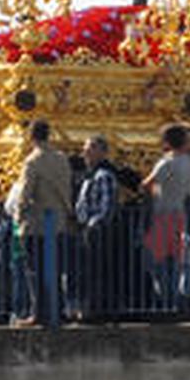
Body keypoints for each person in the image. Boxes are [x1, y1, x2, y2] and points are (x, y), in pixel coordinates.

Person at [12, 119, 72, 325]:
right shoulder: (61, 158)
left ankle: (38, 312)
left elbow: (25, 194)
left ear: (31, 136)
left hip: (38, 223)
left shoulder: (33, 161)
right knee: (55, 270)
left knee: (35, 271)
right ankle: (59, 309)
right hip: (59, 221)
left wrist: (18, 219)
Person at [141, 124, 190, 313]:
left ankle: (168, 301)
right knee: (175, 262)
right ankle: (175, 299)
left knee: (154, 261)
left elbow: (147, 184)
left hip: (163, 216)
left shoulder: (166, 162)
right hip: (181, 215)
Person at [74, 135, 122, 323]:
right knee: (87, 272)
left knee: (99, 271)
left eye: (92, 148)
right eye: (86, 148)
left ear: (103, 152)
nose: (86, 152)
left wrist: (94, 224)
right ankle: (90, 308)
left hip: (99, 232)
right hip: (87, 229)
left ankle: (100, 309)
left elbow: (107, 206)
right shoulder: (89, 177)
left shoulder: (104, 176)